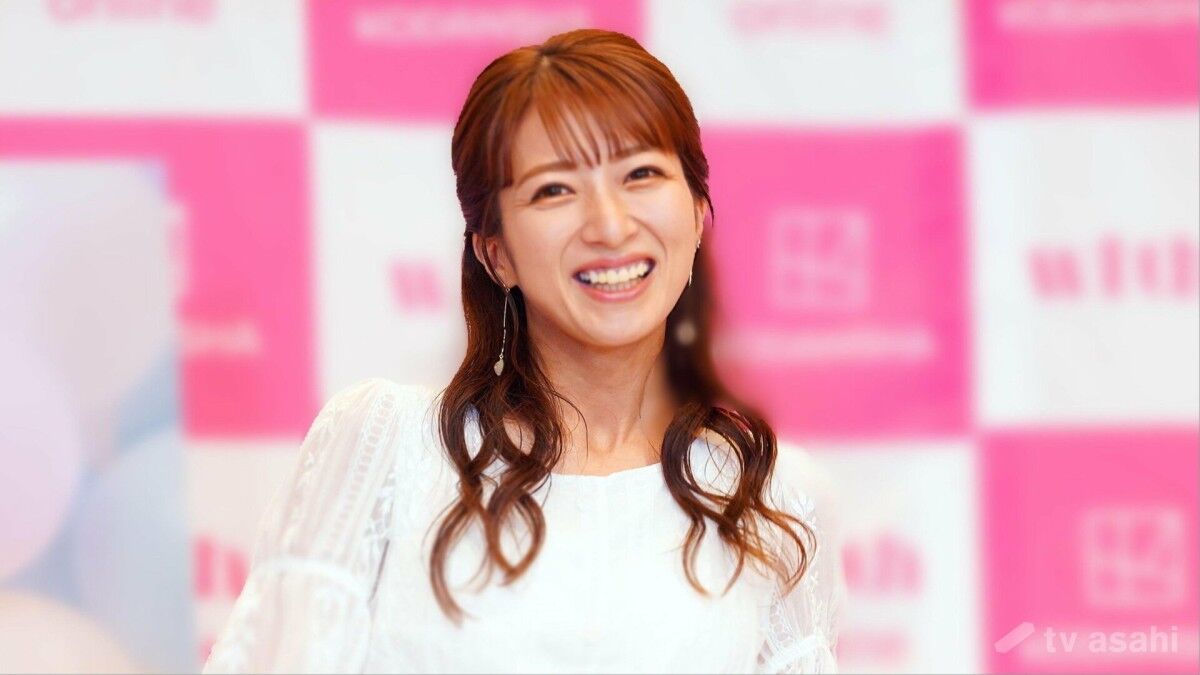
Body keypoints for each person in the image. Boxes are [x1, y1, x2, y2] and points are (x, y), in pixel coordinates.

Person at [202, 28, 845, 674]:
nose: (610, 225)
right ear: (496, 253)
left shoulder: (765, 495)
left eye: (641, 174)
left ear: (699, 211)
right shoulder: (388, 448)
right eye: (554, 190)